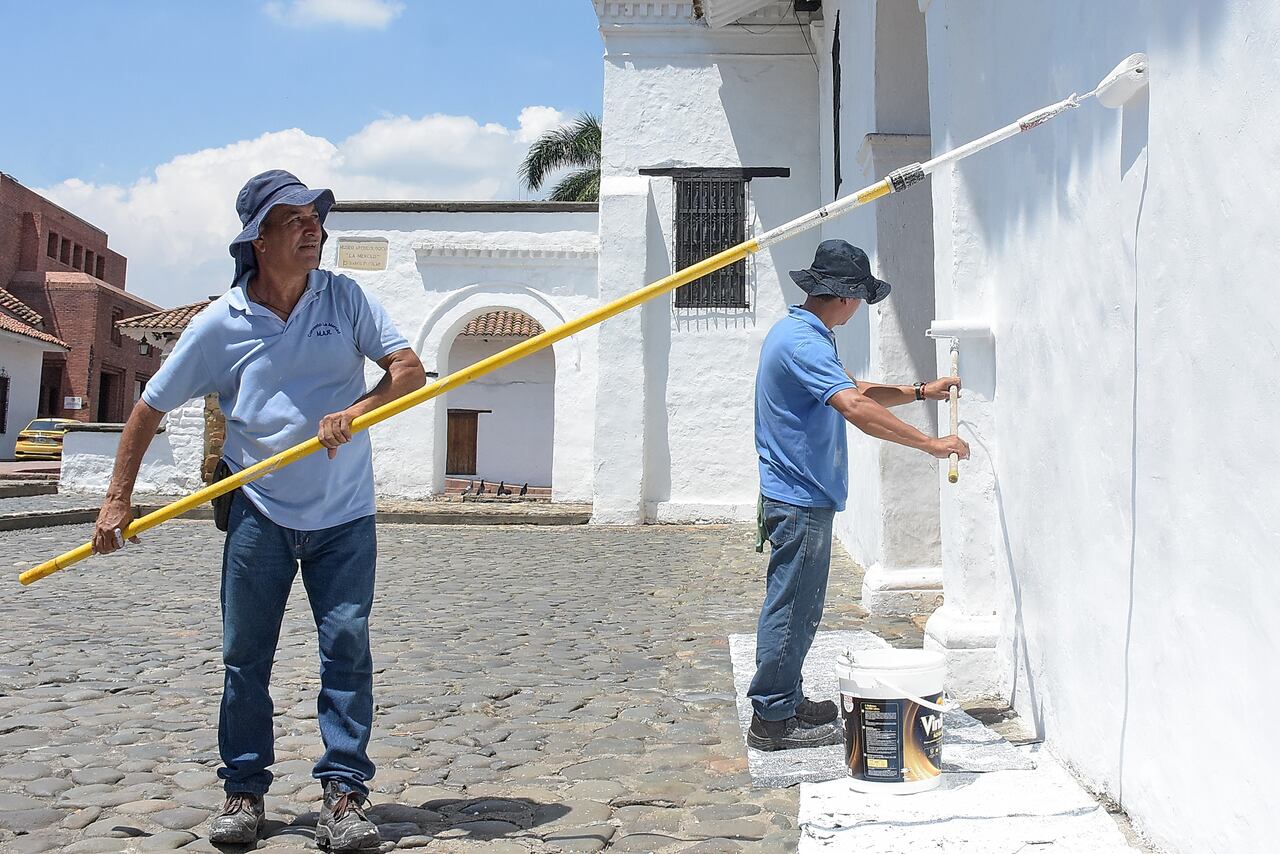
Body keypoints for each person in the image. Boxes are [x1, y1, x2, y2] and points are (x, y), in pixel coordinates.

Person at [92, 170, 426, 848]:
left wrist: (356, 412)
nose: (314, 229)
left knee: (345, 649)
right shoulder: (221, 325)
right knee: (246, 657)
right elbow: (150, 405)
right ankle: (243, 790)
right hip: (258, 512)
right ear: (259, 240)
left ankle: (344, 794)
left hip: (344, 515)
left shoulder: (346, 297)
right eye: (295, 219)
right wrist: (116, 498)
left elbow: (408, 370)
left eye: (316, 218)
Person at [747, 239, 970, 752]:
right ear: (846, 296)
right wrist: (931, 444)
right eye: (862, 297)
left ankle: (785, 697)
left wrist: (919, 392)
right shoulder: (804, 342)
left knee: (800, 606)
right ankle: (772, 720)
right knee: (792, 606)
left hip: (801, 494)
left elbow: (857, 389)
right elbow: (854, 407)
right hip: (800, 498)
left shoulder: (804, 334)